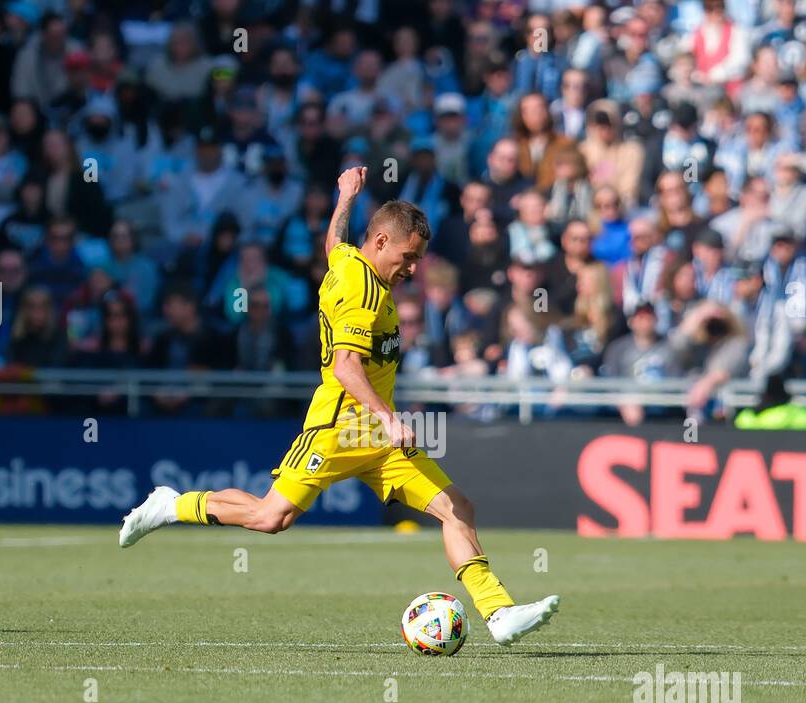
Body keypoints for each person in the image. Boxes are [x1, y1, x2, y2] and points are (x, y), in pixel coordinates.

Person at [119, 167, 560, 646]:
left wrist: (345, 196)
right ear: (383, 241)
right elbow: (348, 367)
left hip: (376, 436)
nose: (413, 269)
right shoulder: (363, 292)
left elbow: (332, 243)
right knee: (271, 518)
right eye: (408, 258)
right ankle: (171, 505)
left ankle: (498, 614)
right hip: (340, 426)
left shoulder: (350, 262)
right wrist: (390, 419)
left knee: (457, 507)